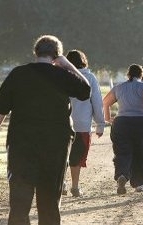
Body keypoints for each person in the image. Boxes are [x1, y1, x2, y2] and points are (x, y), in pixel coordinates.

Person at [0, 35, 91, 225]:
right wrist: (68, 65)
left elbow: (0, 108)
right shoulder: (63, 75)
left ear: (35, 52)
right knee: (50, 198)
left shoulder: (18, 74)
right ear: (57, 55)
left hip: (22, 143)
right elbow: (86, 90)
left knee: (20, 198)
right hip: (56, 144)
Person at [103, 64, 143, 194]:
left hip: (121, 122)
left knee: (122, 152)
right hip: (142, 122)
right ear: (142, 74)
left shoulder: (119, 88)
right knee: (140, 152)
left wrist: (108, 118)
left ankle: (122, 175)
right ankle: (139, 183)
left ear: (128, 75)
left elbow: (105, 102)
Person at [62, 49, 105, 197]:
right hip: (82, 124)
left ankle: (61, 184)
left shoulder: (61, 76)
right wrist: (100, 123)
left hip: (62, 123)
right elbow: (97, 102)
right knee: (77, 156)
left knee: (62, 155)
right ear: (83, 61)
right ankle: (75, 186)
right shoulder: (90, 78)